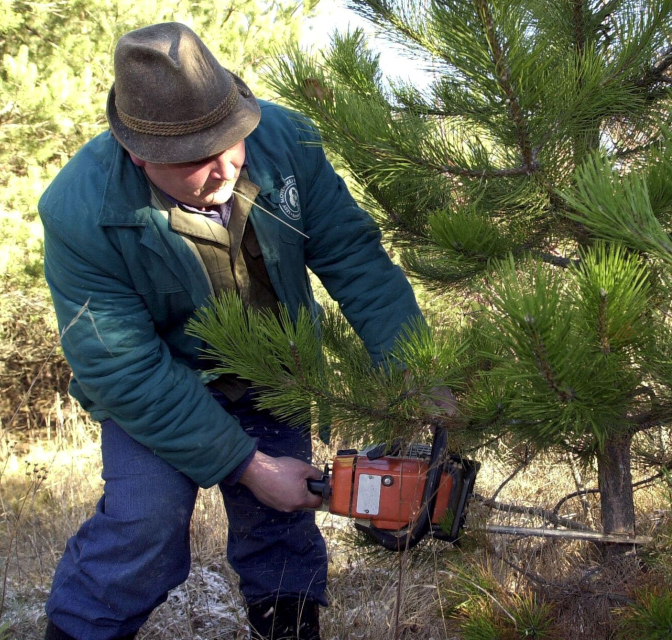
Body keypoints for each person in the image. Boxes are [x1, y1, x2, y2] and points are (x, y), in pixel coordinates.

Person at [38, 22, 427, 640]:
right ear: (140, 152)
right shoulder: (80, 209)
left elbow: (353, 257)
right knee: (145, 523)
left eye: (232, 140)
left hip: (275, 370)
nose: (224, 166)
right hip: (160, 389)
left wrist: (416, 373)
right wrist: (246, 464)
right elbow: (122, 367)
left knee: (282, 532)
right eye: (196, 156)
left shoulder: (288, 140)